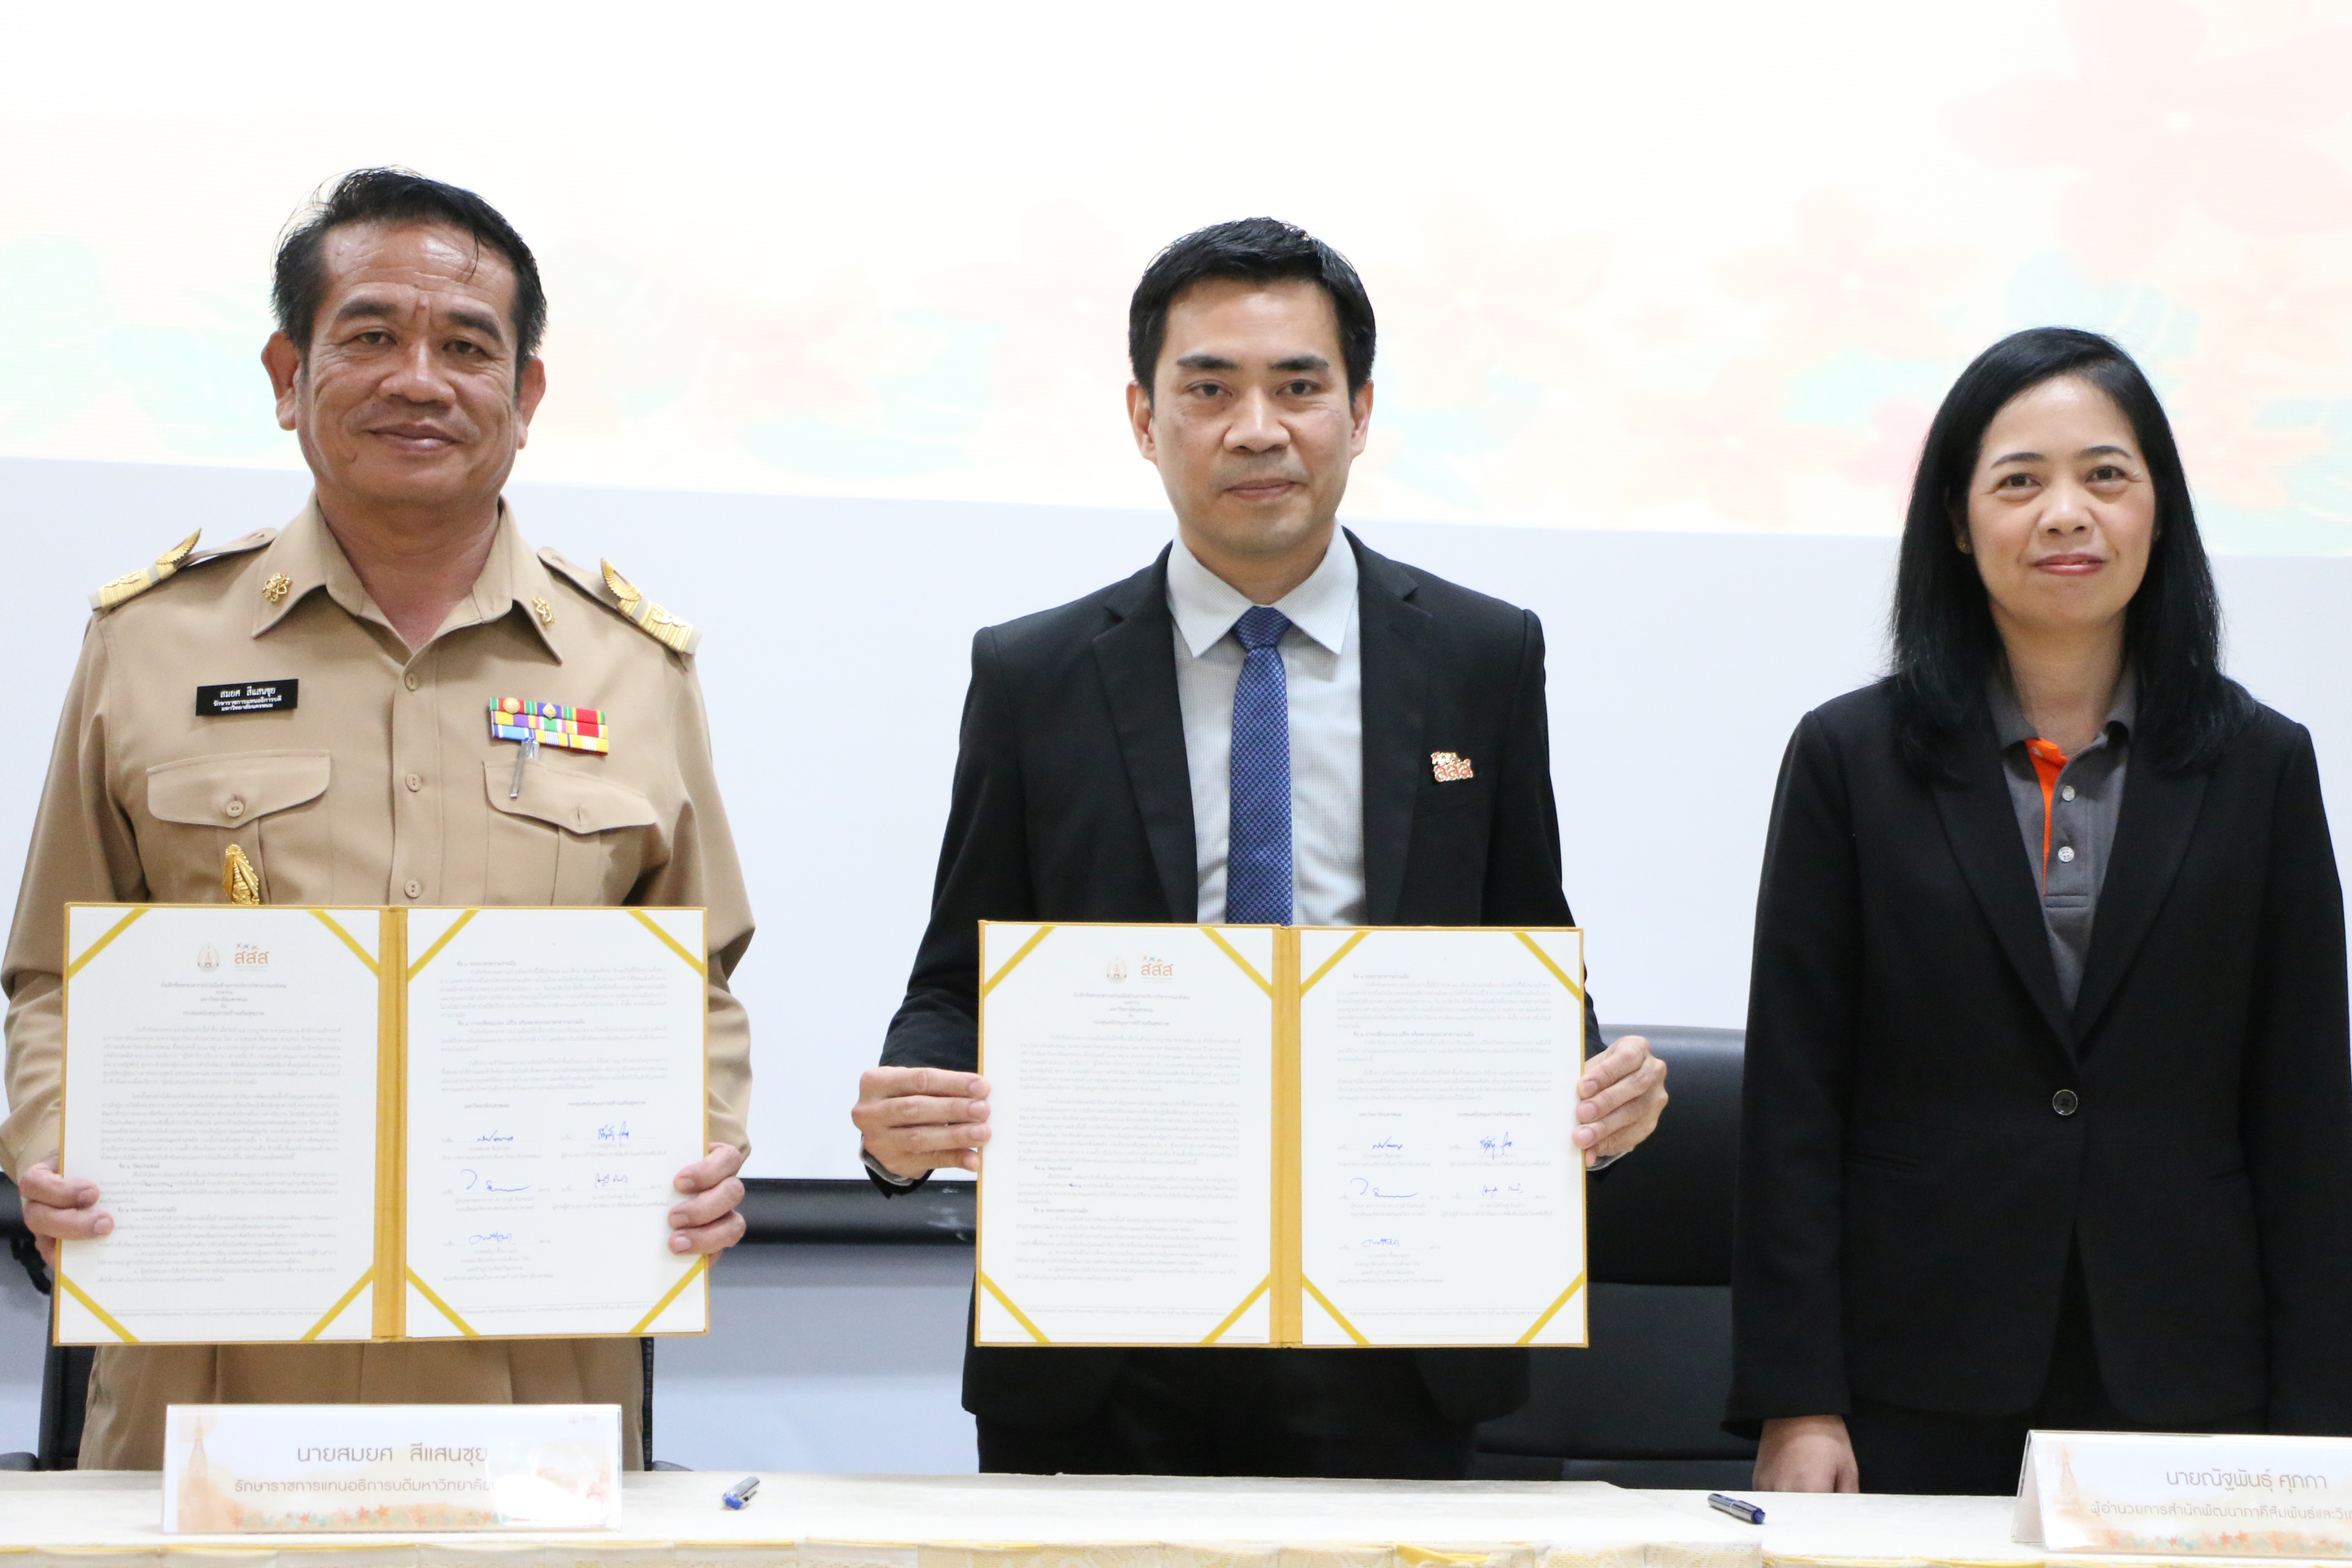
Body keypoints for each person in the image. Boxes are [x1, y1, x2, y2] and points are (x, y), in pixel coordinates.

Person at [850, 217, 1670, 1479]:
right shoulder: (1034, 673)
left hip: (1394, 1311)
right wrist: (906, 1113)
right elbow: (958, 979)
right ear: (1144, 418)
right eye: (1209, 389)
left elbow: (1523, 953)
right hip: (1102, 1316)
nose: (1257, 429)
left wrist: (1595, 1086)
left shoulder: (1481, 654)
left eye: (1298, 386)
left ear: (1360, 410)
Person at [1, 168, 755, 1469]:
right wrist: (54, 1146)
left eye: (467, 346)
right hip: (212, 1357)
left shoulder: (635, 667)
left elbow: (696, 981)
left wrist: (707, 1151)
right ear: (288, 376)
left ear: (524, 396)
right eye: (371, 335)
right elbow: (58, 970)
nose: (420, 380)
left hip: (536, 1368)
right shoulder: (150, 642)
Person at [1731, 326, 2352, 1495]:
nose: (2068, 514)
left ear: (2159, 510)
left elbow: (2306, 1116)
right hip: (1914, 1376)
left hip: (2193, 1384)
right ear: (1960, 524)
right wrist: (1798, 1399)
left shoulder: (2263, 765)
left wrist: (2321, 1429)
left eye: (2106, 475)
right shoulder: (1849, 759)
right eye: (2020, 482)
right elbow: (1796, 1099)